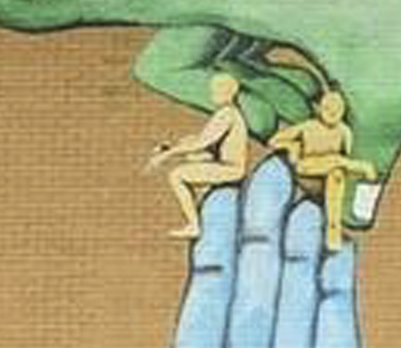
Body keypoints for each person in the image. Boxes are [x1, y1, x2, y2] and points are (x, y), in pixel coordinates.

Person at [270, 85, 378, 251]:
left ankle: (333, 230)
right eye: (328, 107)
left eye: (338, 108)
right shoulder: (308, 127)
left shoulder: (344, 131)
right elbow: (274, 141)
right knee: (337, 162)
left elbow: (349, 155)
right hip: (306, 169)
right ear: (319, 108)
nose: (332, 112)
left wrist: (345, 166)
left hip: (330, 181)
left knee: (337, 173)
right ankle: (357, 169)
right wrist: (292, 146)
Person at [144, 72, 253, 236]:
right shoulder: (228, 113)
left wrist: (167, 155)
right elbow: (198, 141)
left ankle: (194, 225)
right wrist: (170, 148)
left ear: (229, 92)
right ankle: (207, 210)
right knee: (193, 155)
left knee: (176, 175)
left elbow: (202, 143)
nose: (212, 93)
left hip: (231, 169)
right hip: (225, 165)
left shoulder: (227, 114)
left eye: (217, 89)